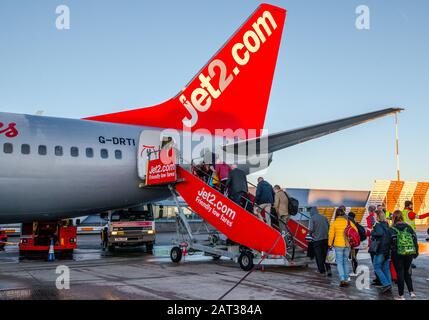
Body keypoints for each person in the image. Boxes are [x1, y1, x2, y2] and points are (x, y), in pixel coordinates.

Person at [389, 210, 419, 300]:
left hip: (397, 254)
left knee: (400, 273)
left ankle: (401, 295)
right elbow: (415, 240)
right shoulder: (409, 227)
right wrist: (415, 252)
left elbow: (387, 243)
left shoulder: (391, 229)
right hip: (409, 252)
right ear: (402, 217)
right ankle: (411, 292)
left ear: (393, 217)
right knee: (407, 273)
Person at [328, 208, 358, 287]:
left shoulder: (334, 223)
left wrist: (329, 244)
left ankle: (342, 279)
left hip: (338, 245)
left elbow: (331, 235)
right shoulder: (348, 222)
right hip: (347, 245)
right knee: (345, 262)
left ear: (336, 214)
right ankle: (347, 277)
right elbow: (355, 231)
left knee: (339, 263)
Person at [402, 200, 429, 268]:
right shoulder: (410, 213)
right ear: (408, 205)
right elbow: (420, 217)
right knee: (411, 248)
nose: (412, 206)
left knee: (405, 248)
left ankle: (405, 262)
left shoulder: (402, 212)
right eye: (411, 205)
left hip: (403, 233)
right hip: (410, 233)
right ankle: (409, 263)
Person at [370, 210, 392, 294]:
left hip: (380, 249)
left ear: (378, 216)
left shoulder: (378, 225)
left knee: (377, 267)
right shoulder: (386, 224)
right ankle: (389, 283)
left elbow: (379, 233)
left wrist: (372, 232)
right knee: (386, 268)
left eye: (375, 215)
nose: (373, 216)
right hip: (386, 249)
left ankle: (386, 284)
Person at [309, 207, 332, 276]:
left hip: (317, 240)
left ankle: (321, 270)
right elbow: (329, 227)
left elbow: (311, 229)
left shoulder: (312, 218)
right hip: (326, 239)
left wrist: (311, 234)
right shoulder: (324, 217)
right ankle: (328, 269)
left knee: (319, 255)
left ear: (312, 212)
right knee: (326, 255)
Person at [366, 205, 380, 286]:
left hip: (373, 241)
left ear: (369, 210)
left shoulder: (369, 218)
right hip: (381, 241)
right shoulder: (378, 216)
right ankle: (379, 278)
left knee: (374, 261)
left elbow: (369, 231)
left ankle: (378, 279)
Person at [347, 212, 365, 276]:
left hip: (352, 242)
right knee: (354, 257)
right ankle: (355, 270)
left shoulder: (349, 222)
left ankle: (354, 272)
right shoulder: (355, 222)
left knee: (353, 257)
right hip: (357, 242)